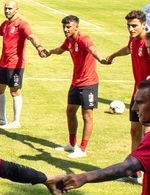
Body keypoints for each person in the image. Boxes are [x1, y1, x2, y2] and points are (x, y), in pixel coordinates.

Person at [0, 0, 45, 129]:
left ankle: (16, 121)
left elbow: (31, 36)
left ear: (17, 10)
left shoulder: (22, 25)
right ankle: (2, 119)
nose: (7, 11)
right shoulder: (5, 24)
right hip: (3, 63)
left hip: (15, 64)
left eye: (10, 9)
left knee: (15, 91)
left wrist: (39, 47)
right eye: (5, 8)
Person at [101, 11, 150, 182]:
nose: (131, 29)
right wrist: (113, 55)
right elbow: (128, 48)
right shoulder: (134, 40)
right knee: (134, 130)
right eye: (129, 26)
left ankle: (149, 173)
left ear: (144, 24)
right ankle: (134, 171)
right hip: (136, 93)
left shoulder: (149, 42)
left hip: (149, 95)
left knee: (149, 133)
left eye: (134, 26)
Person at [42, 15, 105, 159]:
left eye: (68, 27)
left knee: (87, 115)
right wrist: (50, 52)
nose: (65, 29)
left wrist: (101, 58)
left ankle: (82, 148)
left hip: (88, 83)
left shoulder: (84, 39)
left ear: (77, 26)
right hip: (76, 82)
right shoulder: (69, 40)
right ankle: (71, 144)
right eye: (64, 27)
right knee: (70, 111)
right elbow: (61, 49)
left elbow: (92, 49)